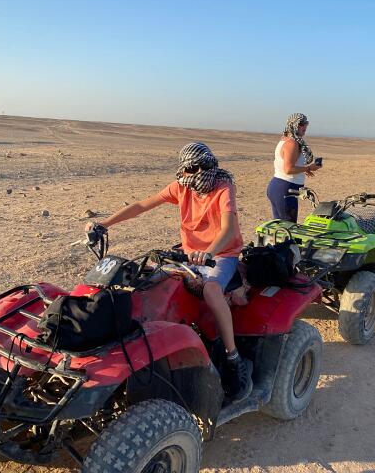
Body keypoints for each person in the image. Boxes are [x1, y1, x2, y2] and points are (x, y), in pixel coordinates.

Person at [85, 142, 252, 402]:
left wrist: (209, 252)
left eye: (205, 166)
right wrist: (104, 224)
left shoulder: (223, 187)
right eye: (193, 168)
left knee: (211, 290)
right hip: (189, 253)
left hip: (221, 253)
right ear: (184, 170)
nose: (200, 172)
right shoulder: (181, 187)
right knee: (148, 284)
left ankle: (233, 357)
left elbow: (228, 229)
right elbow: (142, 205)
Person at [266, 113, 321, 222]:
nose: (305, 126)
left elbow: (288, 165)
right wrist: (308, 168)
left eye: (306, 123)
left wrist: (302, 170)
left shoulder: (286, 140)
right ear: (293, 125)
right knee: (289, 227)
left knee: (280, 228)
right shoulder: (292, 143)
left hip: (279, 188)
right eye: (301, 123)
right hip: (285, 189)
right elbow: (288, 169)